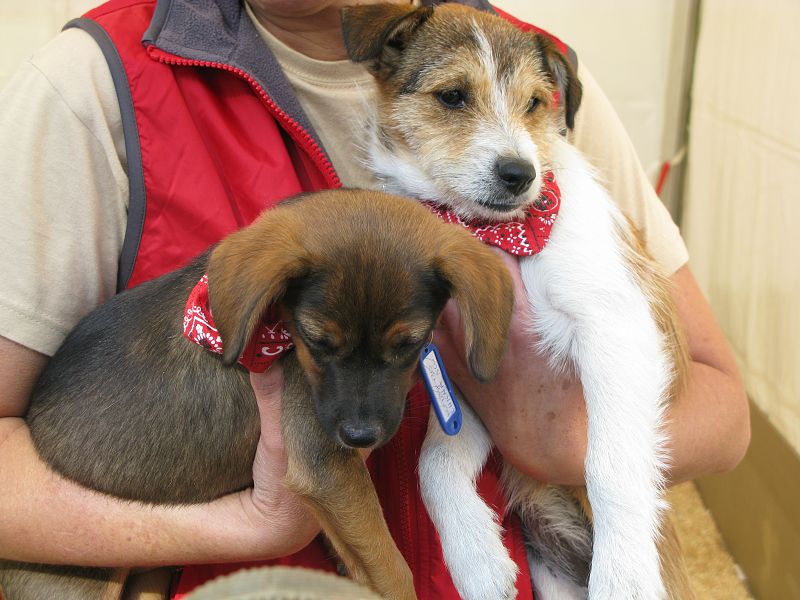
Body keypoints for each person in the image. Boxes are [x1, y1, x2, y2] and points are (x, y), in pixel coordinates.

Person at [0, 0, 750, 598]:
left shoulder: (535, 84)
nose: (510, 140)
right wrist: (249, 526)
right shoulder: (94, 86)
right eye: (452, 98)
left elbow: (723, 413)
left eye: (528, 111)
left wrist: (551, 443)